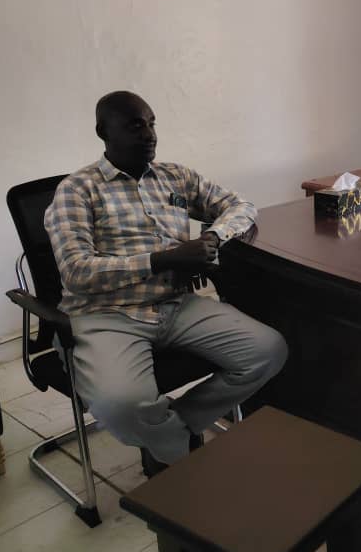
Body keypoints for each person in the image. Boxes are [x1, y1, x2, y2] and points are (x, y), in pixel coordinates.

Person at [44, 91, 287, 474]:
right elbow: (76, 270)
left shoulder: (175, 176)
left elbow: (242, 206)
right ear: (103, 132)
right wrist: (164, 259)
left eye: (152, 123)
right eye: (135, 126)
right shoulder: (76, 190)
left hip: (175, 304)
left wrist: (212, 238)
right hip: (106, 314)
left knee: (268, 351)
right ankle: (174, 446)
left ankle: (168, 433)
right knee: (121, 406)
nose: (149, 134)